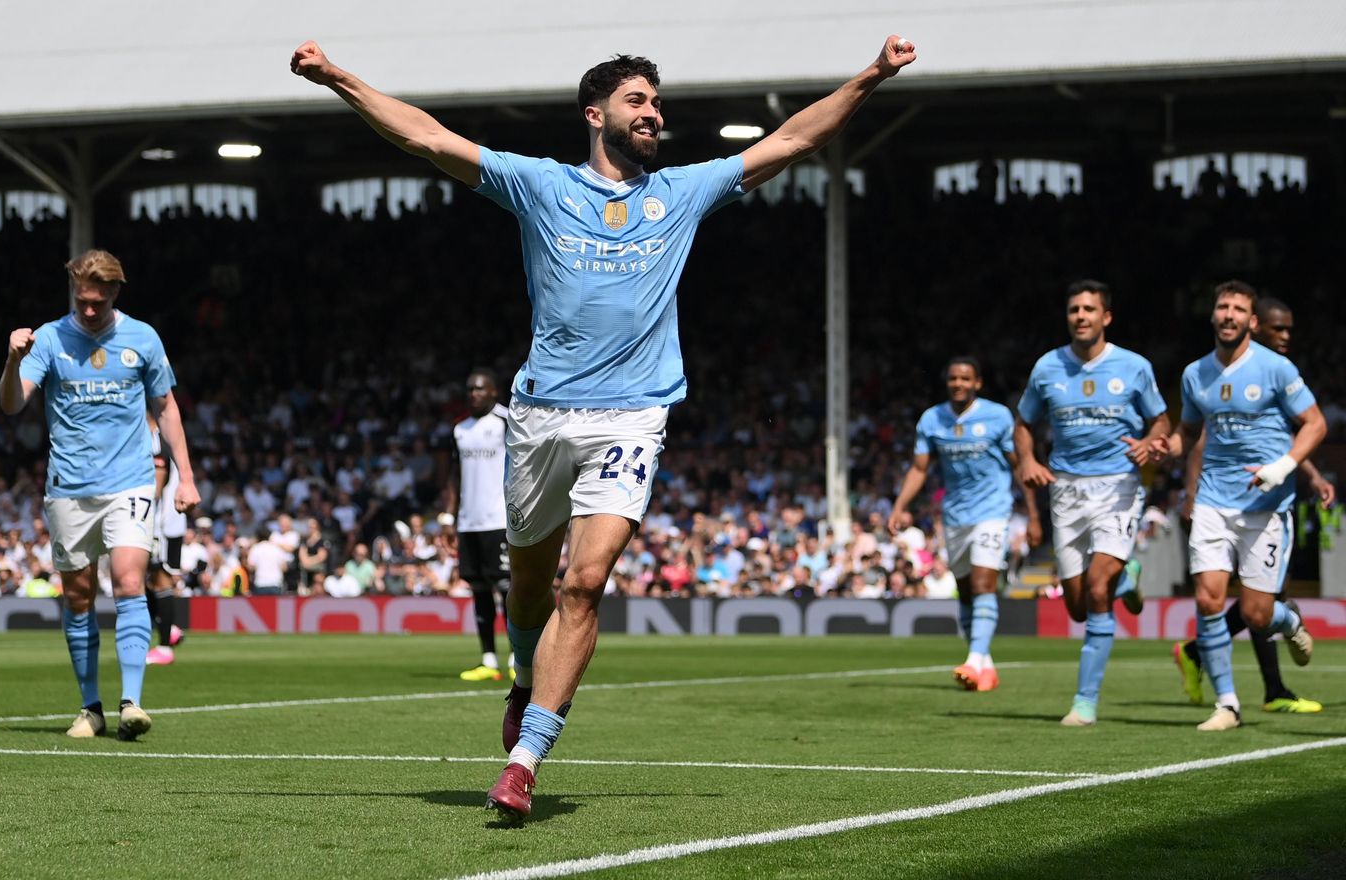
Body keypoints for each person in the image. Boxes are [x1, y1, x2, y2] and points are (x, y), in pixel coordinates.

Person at [291, 31, 918, 820]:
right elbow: (425, 136)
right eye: (638, 101)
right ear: (596, 115)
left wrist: (872, 74)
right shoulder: (539, 185)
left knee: (583, 584)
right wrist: (337, 77)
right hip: (543, 414)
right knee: (528, 583)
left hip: (634, 413)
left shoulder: (685, 191)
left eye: (657, 101)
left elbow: (793, 138)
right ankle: (523, 677)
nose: (654, 112)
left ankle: (525, 761)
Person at [0, 249, 198, 740]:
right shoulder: (47, 339)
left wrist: (186, 475)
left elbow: (167, 409)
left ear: (115, 292)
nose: (89, 310)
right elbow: (12, 404)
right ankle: (91, 708)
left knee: (130, 582)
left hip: (129, 482)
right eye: (82, 300)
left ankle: (132, 702)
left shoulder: (142, 337)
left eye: (98, 300)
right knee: (79, 595)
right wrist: (11, 360)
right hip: (68, 487)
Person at [1152, 281, 1324, 731]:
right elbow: (1189, 434)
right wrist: (1163, 448)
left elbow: (1315, 424)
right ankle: (1227, 704)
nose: (1228, 314)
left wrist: (1283, 467)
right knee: (1209, 600)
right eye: (1222, 307)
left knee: (1255, 615)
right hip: (1213, 499)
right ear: (1213, 316)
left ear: (1251, 321)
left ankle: (1289, 622)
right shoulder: (1195, 374)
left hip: (1265, 505)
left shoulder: (1276, 369)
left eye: (1238, 309)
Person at [1014, 280, 1170, 727]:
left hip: (1118, 487)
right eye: (1074, 310)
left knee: (1097, 590)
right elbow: (1023, 422)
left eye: (1089, 309)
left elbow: (1161, 420)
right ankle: (1128, 578)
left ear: (1107, 317)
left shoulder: (1133, 367)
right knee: (1079, 606)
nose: (1080, 316)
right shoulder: (1047, 367)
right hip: (1065, 490)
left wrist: (1150, 442)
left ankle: (1084, 702)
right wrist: (1026, 458)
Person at [889, 357, 1039, 692]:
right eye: (953, 378)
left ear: (978, 383)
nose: (959, 383)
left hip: (992, 512)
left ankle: (973, 660)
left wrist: (1033, 515)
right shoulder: (932, 419)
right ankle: (985, 665)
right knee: (967, 593)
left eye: (965, 378)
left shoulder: (998, 416)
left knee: (985, 583)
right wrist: (900, 506)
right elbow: (919, 468)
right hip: (955, 516)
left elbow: (1021, 467)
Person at [441, 369, 514, 682]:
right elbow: (454, 476)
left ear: (494, 392)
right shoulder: (461, 429)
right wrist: (448, 516)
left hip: (500, 519)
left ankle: (517, 658)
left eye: (480, 389)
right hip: (469, 522)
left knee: (507, 589)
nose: (474, 394)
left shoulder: (508, 421)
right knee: (479, 589)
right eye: (470, 389)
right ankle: (488, 660)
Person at [145, 411, 188, 666]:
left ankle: (164, 647)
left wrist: (147, 511)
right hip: (160, 518)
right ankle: (167, 627)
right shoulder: (152, 435)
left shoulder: (157, 437)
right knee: (141, 578)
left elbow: (159, 475)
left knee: (160, 578)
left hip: (161, 521)